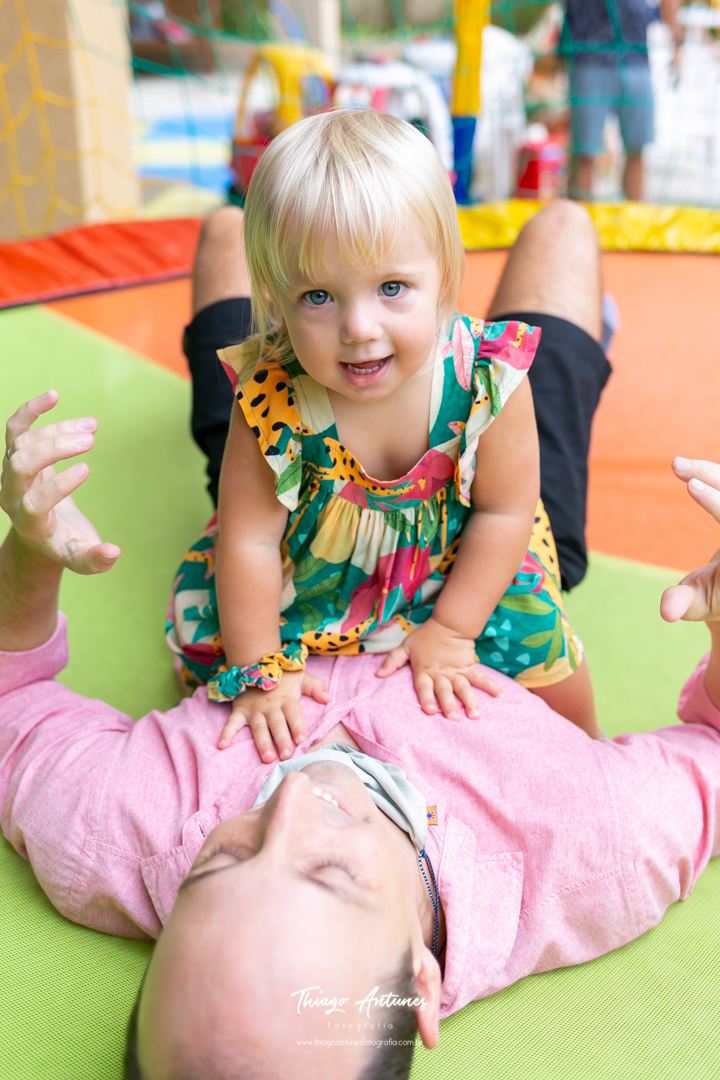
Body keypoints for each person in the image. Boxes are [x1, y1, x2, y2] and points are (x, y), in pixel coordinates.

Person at [4, 199, 720, 1080]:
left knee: (232, 232)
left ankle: (310, 295)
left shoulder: (113, 831)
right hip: (475, 553)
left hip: (297, 537)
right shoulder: (590, 844)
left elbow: (13, 699)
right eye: (333, 875)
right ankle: (481, 329)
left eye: (217, 864)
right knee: (563, 228)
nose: (295, 796)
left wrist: (28, 558)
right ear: (418, 985)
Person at [167, 109, 599, 765]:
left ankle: (593, 758)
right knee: (220, 672)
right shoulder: (270, 395)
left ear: (445, 278)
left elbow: (506, 509)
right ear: (277, 300)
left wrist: (452, 632)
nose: (359, 328)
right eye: (318, 296)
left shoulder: (489, 380)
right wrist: (260, 671)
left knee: (553, 667)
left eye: (392, 287)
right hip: (322, 577)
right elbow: (248, 536)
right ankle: (241, 241)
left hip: (459, 564)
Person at [563, 0, 683, 200]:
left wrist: (677, 40)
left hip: (634, 56)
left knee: (637, 148)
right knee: (585, 150)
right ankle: (576, 221)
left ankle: (632, 219)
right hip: (589, 55)